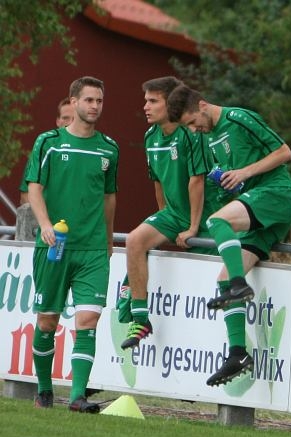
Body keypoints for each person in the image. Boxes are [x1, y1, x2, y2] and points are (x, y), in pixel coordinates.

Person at [166, 85, 291, 387]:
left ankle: (240, 286)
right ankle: (238, 354)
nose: (193, 130)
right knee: (224, 278)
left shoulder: (238, 118)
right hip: (261, 209)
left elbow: (284, 152)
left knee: (217, 222)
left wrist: (244, 173)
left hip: (277, 195)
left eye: (191, 122)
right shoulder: (207, 137)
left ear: (202, 105)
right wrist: (233, 181)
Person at [24, 76, 118, 412]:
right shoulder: (49, 143)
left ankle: (77, 396)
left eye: (100, 101)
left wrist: (108, 238)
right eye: (89, 100)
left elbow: (109, 197)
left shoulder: (109, 148)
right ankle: (45, 389)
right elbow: (34, 187)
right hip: (55, 247)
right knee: (48, 322)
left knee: (88, 321)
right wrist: (46, 224)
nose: (95, 106)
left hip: (92, 249)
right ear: (74, 101)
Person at [118, 76, 218, 349]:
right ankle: (140, 317)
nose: (146, 107)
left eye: (153, 101)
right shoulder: (150, 137)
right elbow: (158, 183)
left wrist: (193, 227)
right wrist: (164, 222)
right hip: (174, 215)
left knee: (212, 291)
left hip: (207, 217)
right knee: (134, 241)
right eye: (145, 101)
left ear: (171, 103)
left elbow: (197, 181)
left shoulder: (191, 132)